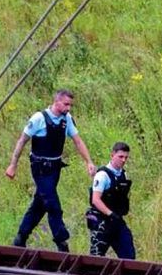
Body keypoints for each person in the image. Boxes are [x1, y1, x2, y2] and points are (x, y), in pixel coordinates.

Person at [5, 89, 96, 252]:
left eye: (70, 105)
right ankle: (62, 243)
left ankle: (20, 238)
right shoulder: (39, 118)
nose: (69, 108)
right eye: (66, 104)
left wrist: (88, 161)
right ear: (57, 101)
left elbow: (78, 141)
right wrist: (13, 164)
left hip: (55, 169)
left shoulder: (66, 120)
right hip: (40, 168)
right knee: (53, 205)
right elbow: (22, 141)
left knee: (40, 204)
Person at [85, 142, 135, 259]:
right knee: (96, 258)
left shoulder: (123, 175)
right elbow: (95, 200)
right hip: (101, 222)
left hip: (117, 221)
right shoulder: (102, 175)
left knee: (129, 256)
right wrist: (110, 214)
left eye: (126, 157)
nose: (123, 160)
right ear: (112, 155)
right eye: (120, 157)